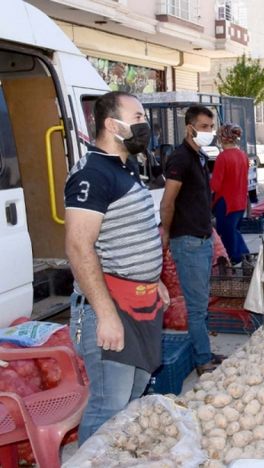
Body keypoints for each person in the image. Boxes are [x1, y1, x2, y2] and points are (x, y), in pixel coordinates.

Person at [65, 91, 169, 444]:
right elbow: (79, 248)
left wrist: (153, 279)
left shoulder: (122, 166)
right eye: (138, 116)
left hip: (138, 303)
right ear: (112, 124)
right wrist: (105, 315)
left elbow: (129, 231)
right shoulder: (92, 174)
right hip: (110, 307)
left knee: (135, 390)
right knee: (110, 404)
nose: (145, 125)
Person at [160, 105, 222, 376]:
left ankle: (204, 351)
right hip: (188, 242)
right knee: (196, 307)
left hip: (202, 238)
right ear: (190, 128)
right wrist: (165, 232)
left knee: (201, 303)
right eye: (204, 127)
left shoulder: (198, 156)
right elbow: (168, 202)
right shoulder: (180, 159)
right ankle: (202, 361)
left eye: (211, 127)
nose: (209, 132)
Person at [210, 123, 250, 264]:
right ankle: (245, 256)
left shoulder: (222, 157)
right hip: (240, 201)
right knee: (235, 232)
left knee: (227, 236)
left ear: (222, 138)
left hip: (225, 202)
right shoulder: (243, 155)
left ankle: (237, 262)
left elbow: (215, 185)